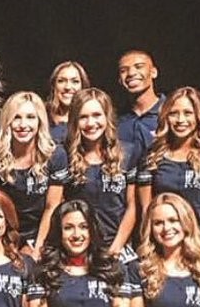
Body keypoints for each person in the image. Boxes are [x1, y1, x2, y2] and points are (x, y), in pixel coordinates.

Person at [136, 86, 200, 252]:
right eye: (174, 113)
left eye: (188, 113)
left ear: (199, 116)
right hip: (166, 249)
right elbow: (147, 210)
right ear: (165, 116)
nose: (181, 120)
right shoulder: (152, 156)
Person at [0, 91, 67, 253]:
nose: (23, 124)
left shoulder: (55, 154)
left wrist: (38, 249)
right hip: (1, 229)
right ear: (7, 121)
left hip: (40, 231)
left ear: (40, 121)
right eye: (16, 117)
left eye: (30, 117)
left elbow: (51, 206)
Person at [51, 88, 139, 257]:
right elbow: (56, 205)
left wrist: (115, 249)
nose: (91, 123)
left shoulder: (127, 152)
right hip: (78, 248)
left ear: (107, 117)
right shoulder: (64, 155)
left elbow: (132, 206)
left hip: (117, 247)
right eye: (83, 117)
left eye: (97, 115)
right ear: (74, 121)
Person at [116, 48, 165, 153]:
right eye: (123, 70)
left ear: (153, 72)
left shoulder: (170, 112)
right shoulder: (114, 119)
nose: (131, 73)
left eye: (139, 67)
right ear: (119, 79)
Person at [46, 60, 89, 144]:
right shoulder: (42, 115)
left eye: (75, 81)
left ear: (83, 86)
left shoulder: (91, 118)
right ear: (54, 86)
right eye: (61, 81)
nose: (68, 87)